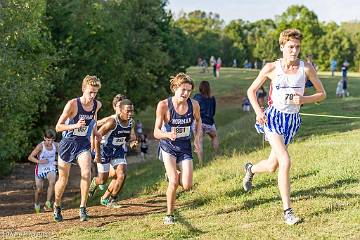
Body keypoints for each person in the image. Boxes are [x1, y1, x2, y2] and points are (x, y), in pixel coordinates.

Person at [243, 29, 326, 225]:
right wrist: (258, 112)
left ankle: (251, 169)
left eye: (297, 47)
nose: (294, 51)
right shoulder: (271, 68)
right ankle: (288, 211)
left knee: (273, 166)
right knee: (285, 161)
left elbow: (322, 94)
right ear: (282, 47)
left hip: (291, 121)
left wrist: (304, 98)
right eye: (290, 47)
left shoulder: (306, 69)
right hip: (272, 119)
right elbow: (251, 91)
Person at [154, 73, 202, 225]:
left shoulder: (194, 105)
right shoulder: (164, 105)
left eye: (189, 91)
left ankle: (171, 174)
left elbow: (199, 121)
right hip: (168, 146)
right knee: (174, 182)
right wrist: (167, 134)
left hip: (185, 147)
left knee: (187, 185)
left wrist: (197, 140)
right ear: (175, 88)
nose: (186, 93)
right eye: (183, 89)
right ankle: (169, 215)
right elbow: (155, 132)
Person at [54, 75, 102, 222]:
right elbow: (58, 127)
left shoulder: (97, 104)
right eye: (90, 92)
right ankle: (57, 205)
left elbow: (92, 120)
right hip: (68, 142)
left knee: (87, 172)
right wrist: (75, 125)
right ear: (83, 89)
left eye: (95, 92)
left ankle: (82, 208)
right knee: (63, 178)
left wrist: (95, 132)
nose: (93, 96)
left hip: (83, 143)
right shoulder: (72, 104)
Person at [89, 98, 138, 208]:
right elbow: (98, 136)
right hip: (104, 150)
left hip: (118, 151)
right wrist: (97, 154)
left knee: (121, 174)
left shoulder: (131, 122)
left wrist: (132, 143)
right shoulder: (112, 122)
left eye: (132, 111)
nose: (130, 114)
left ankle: (112, 199)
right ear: (120, 110)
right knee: (103, 180)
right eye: (127, 111)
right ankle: (95, 182)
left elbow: (130, 138)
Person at [28, 129, 59, 213]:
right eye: (48, 140)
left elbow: (63, 155)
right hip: (40, 169)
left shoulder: (56, 145)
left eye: (52, 140)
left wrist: (58, 162)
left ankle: (47, 203)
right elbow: (30, 157)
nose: (50, 142)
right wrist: (39, 161)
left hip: (51, 167)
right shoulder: (40, 146)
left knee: (52, 182)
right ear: (44, 138)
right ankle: (37, 203)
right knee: (39, 190)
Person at [193, 81, 219, 164]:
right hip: (210, 123)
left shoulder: (197, 97)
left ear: (200, 88)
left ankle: (201, 163)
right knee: (214, 137)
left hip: (199, 122)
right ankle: (216, 155)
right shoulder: (212, 98)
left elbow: (193, 109)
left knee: (198, 141)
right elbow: (213, 112)